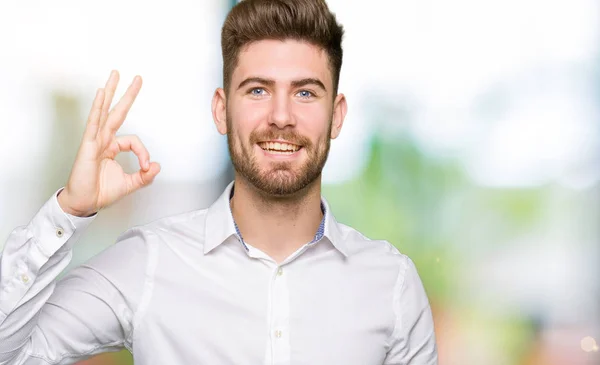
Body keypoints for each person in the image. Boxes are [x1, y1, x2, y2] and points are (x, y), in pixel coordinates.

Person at [0, 0, 438, 364]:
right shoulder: (150, 262)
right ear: (220, 110)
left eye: (305, 92)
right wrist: (68, 211)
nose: (281, 117)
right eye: (258, 90)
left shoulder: (391, 283)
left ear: (336, 115)